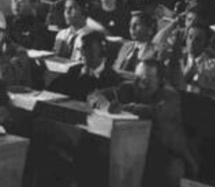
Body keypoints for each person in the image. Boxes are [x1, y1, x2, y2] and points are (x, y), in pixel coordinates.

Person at [114, 59, 196, 187]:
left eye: (146, 81)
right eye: (136, 78)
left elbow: (156, 112)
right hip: (134, 148)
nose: (139, 85)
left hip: (166, 151)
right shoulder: (128, 87)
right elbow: (100, 94)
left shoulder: (170, 95)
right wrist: (101, 102)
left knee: (171, 169)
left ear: (160, 81)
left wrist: (125, 107)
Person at [47, 31, 122, 101]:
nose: (82, 52)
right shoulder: (74, 70)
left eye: (88, 48)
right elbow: (52, 91)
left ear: (102, 51)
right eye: (81, 48)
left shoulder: (112, 79)